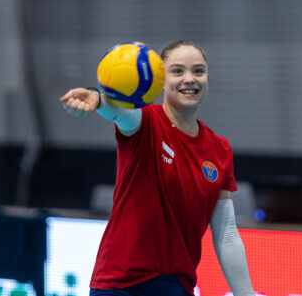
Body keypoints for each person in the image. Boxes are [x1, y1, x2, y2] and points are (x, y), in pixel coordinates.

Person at [60, 40, 255, 296]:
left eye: (198, 71)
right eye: (177, 71)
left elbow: (226, 235)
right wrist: (97, 99)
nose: (190, 79)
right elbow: (121, 114)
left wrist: (247, 294)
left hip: (175, 285)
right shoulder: (146, 121)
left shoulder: (220, 149)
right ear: (160, 81)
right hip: (119, 282)